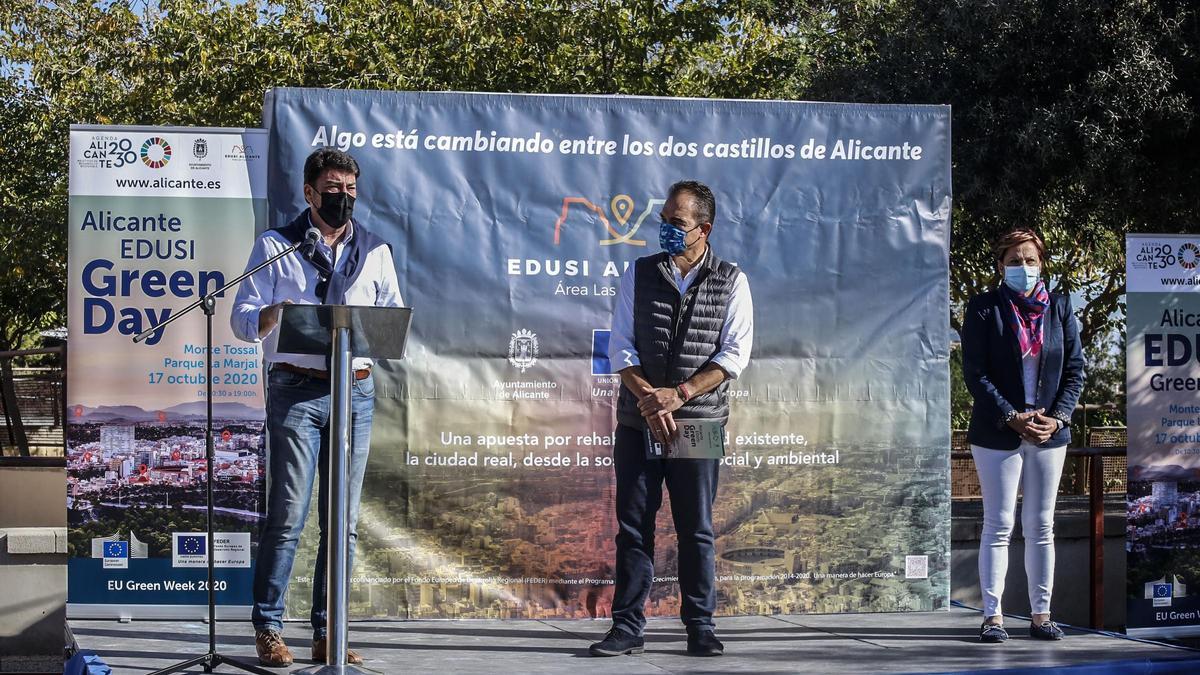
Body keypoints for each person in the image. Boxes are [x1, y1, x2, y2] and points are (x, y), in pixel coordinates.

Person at [231, 148, 402, 667]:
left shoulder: (375, 251)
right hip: (297, 392)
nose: (342, 197)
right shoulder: (276, 246)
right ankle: (269, 626)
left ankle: (330, 631)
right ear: (309, 192)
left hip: (356, 392)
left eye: (350, 189)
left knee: (343, 522)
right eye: (332, 188)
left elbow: (392, 320)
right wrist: (273, 314)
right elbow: (240, 319)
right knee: (288, 515)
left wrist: (375, 328)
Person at [589, 180, 753, 658]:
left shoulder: (731, 280)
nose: (666, 230)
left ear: (704, 229)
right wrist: (649, 401)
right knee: (634, 527)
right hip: (639, 422)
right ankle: (627, 627)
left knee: (696, 528)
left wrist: (678, 395)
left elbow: (734, 355)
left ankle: (700, 626)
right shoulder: (638, 274)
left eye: (676, 224)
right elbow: (619, 347)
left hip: (699, 423)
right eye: (663, 220)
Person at [961, 227, 1084, 644]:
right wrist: (1011, 415)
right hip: (997, 433)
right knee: (998, 524)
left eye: (1030, 260)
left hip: (1050, 433)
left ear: (1042, 263)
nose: (1023, 268)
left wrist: (1060, 417)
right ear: (1000, 266)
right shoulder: (982, 309)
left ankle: (1041, 615)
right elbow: (975, 374)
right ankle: (992, 617)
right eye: (1014, 261)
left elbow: (1075, 371)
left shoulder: (1061, 308)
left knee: (1041, 525)